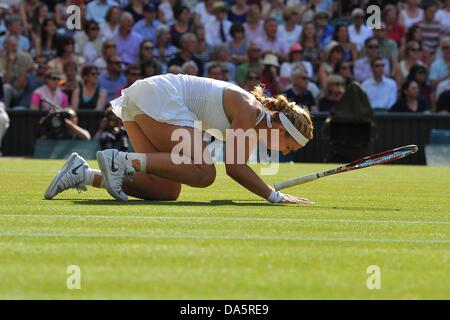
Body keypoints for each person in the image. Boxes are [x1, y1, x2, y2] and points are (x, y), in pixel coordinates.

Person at [45, 73, 314, 205]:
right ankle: (121, 160)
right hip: (159, 98)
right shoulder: (252, 112)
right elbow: (235, 168)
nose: (288, 153)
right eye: (290, 146)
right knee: (204, 172)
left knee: (165, 191)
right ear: (281, 130)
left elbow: (239, 165)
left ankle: (82, 174)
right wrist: (275, 196)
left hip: (145, 100)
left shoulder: (254, 121)